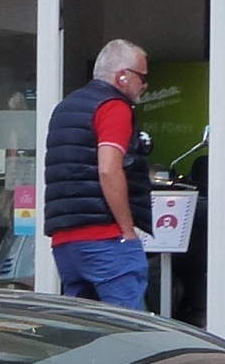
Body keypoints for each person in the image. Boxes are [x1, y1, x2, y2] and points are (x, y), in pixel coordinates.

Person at [42, 38, 153, 309]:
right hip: (105, 239)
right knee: (129, 330)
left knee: (84, 330)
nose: (146, 85)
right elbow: (108, 168)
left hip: (65, 242)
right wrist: (127, 230)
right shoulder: (113, 107)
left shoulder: (65, 108)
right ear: (122, 76)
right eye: (143, 77)